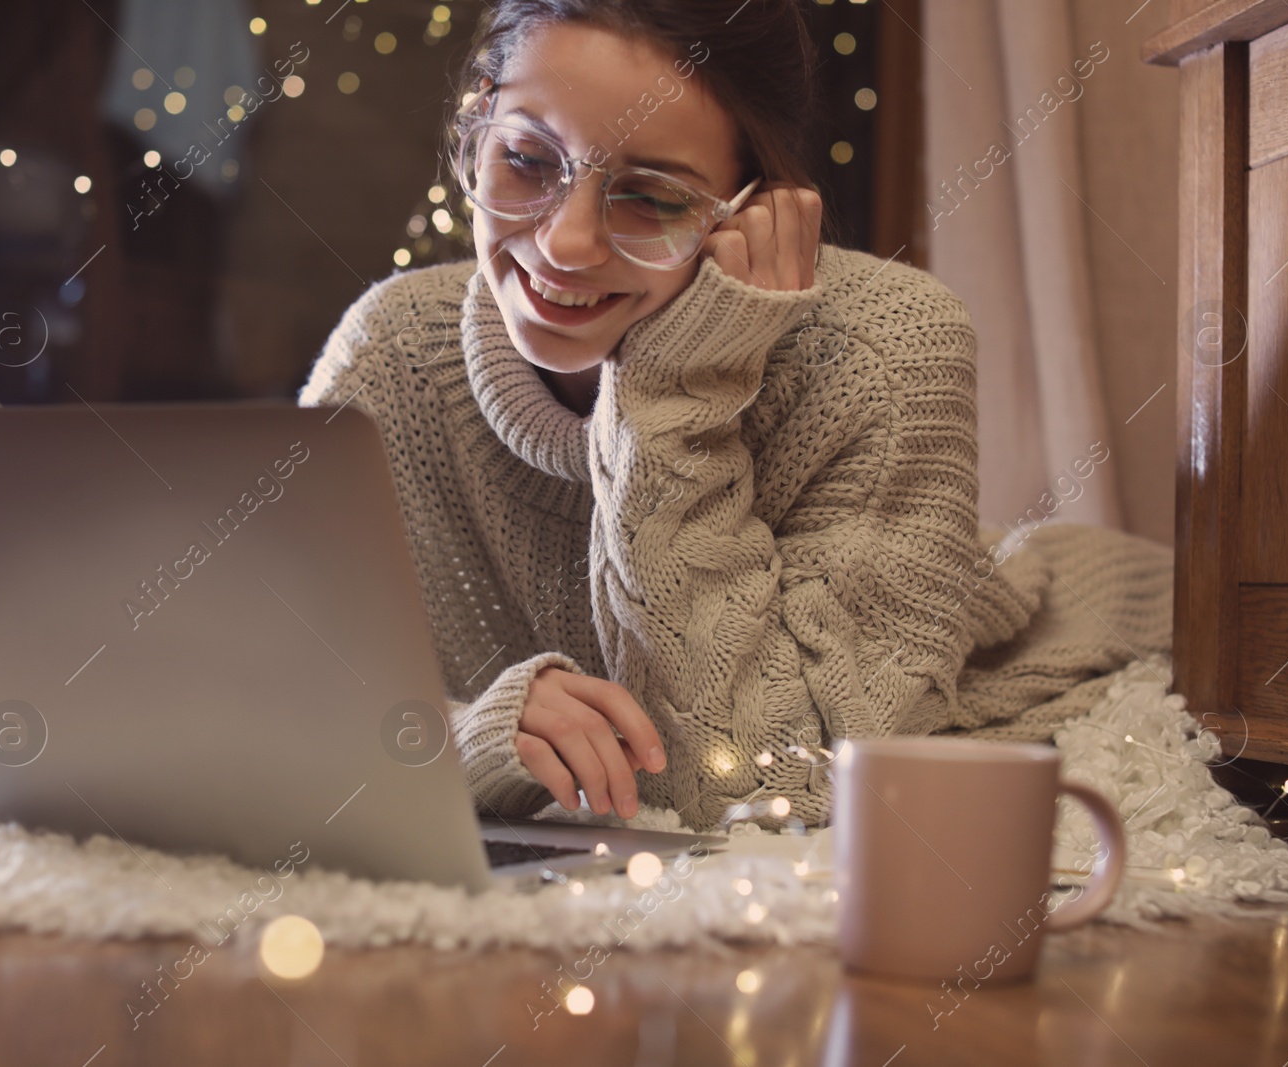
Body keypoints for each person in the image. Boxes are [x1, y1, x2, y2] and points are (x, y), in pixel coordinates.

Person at [296, 0, 1173, 833]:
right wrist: (473, 737)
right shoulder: (391, 351)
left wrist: (678, 389)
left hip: (1089, 631)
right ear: (475, 133)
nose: (565, 242)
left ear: (754, 209)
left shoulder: (891, 348)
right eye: (525, 160)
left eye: (651, 197)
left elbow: (771, 787)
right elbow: (262, 702)